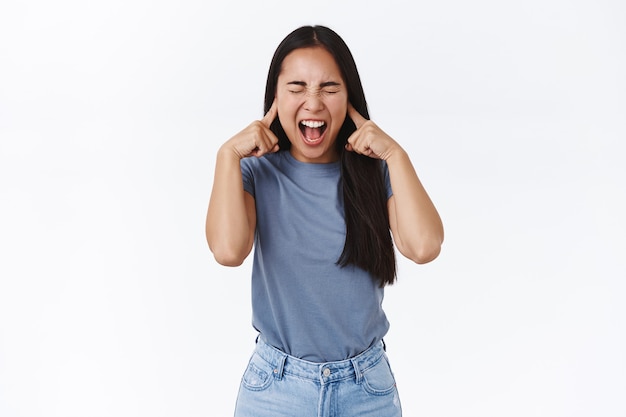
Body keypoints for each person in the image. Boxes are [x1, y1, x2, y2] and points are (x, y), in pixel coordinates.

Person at [206, 25, 443, 417]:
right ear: (275, 98)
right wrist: (226, 155)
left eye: (329, 88)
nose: (312, 102)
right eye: (296, 88)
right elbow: (228, 251)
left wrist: (396, 156)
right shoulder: (254, 171)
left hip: (366, 388)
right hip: (275, 389)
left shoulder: (375, 172)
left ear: (349, 98)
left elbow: (425, 246)